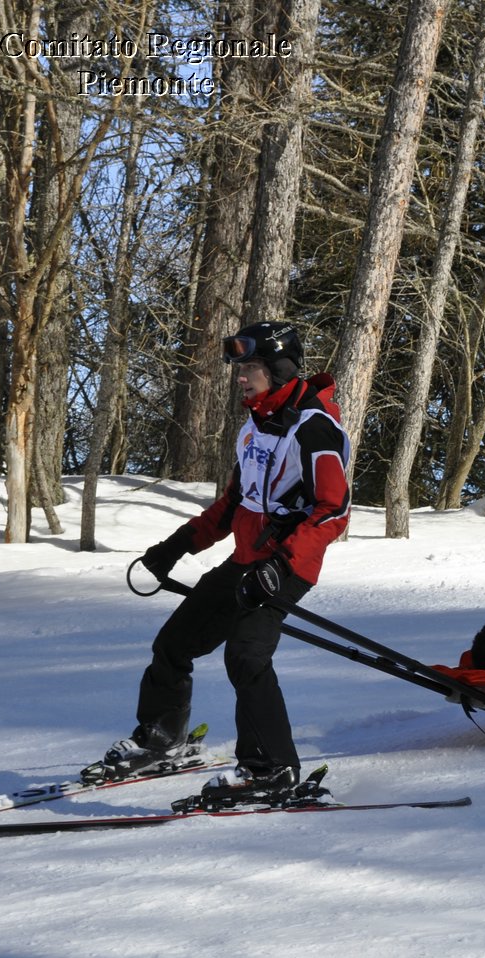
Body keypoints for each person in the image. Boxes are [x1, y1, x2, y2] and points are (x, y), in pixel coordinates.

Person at [89, 321, 352, 803]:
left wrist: (281, 565)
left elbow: (332, 510)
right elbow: (234, 505)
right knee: (174, 644)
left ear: (278, 368)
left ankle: (270, 769)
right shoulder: (255, 425)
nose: (240, 376)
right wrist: (176, 546)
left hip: (288, 565)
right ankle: (161, 740)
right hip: (247, 560)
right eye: (239, 367)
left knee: (246, 655)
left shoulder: (314, 428)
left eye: (249, 367)